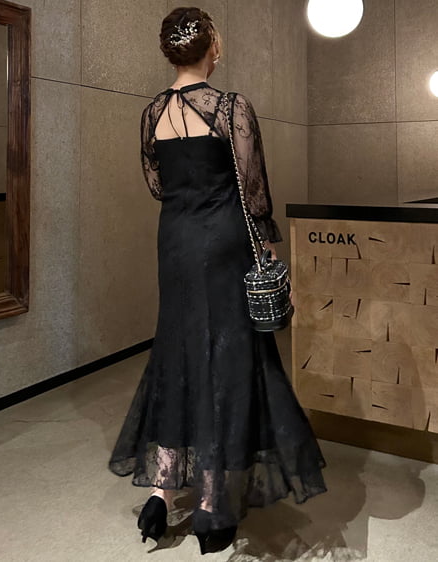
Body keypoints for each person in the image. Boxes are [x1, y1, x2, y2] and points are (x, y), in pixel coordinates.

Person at [108, 6, 327, 555]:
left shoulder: (152, 113)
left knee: (177, 351)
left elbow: (157, 185)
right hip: (224, 242)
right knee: (225, 358)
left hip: (176, 243)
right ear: (213, 48)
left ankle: (160, 492)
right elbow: (253, 190)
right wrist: (269, 252)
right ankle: (209, 504)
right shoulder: (231, 107)